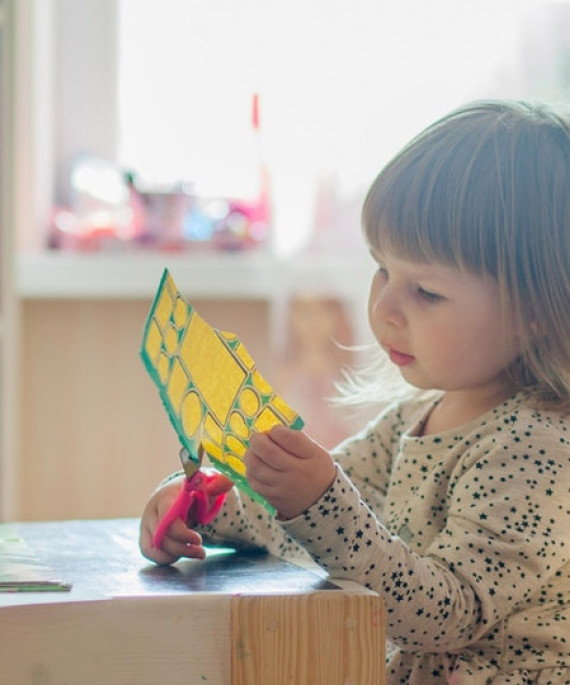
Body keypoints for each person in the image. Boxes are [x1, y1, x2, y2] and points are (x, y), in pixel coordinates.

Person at [140, 100, 570, 684]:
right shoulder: (415, 418)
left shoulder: (539, 449)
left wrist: (318, 501)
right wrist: (209, 507)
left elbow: (443, 613)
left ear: (537, 310)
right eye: (381, 270)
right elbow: (309, 523)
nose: (384, 308)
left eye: (427, 292)